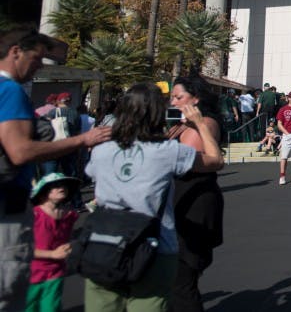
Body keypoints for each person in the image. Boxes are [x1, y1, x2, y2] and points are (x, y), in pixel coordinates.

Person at [84, 82, 223, 311]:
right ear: (158, 114)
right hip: (153, 245)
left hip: (104, 242)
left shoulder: (102, 151)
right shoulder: (167, 152)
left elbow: (94, 177)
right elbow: (215, 160)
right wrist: (199, 123)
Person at [0, 27, 112, 311]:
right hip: (7, 205)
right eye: (36, 59)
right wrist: (82, 140)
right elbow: (20, 149)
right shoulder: (10, 90)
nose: (38, 68)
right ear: (16, 52)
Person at [168, 76, 226, 311]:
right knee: (176, 279)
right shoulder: (181, 126)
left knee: (182, 281)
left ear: (196, 99)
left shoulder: (204, 124)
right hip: (182, 198)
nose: (172, 101)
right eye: (172, 97)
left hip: (194, 201)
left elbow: (187, 160)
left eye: (178, 97)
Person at [26, 173, 79, 312]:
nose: (61, 188)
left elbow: (66, 240)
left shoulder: (70, 216)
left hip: (56, 272)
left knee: (51, 308)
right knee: (28, 308)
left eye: (63, 185)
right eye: (55, 186)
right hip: (31, 274)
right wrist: (52, 254)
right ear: (43, 193)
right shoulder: (34, 215)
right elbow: (24, 249)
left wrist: (69, 248)